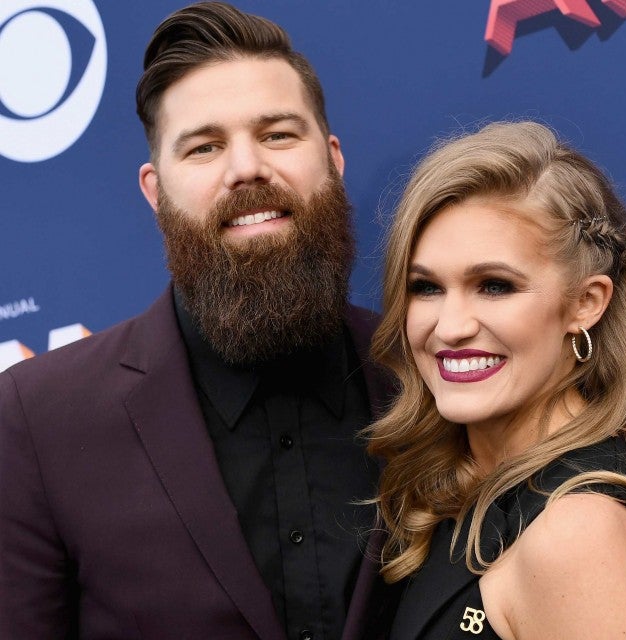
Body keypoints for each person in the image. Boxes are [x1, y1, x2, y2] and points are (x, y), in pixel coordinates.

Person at [0, 3, 397, 639]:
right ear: (156, 192)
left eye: (278, 135)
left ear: (333, 159)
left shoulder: (428, 377)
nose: (246, 168)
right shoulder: (37, 417)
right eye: (205, 147)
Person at [368, 121, 626, 639]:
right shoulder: (462, 482)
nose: (450, 327)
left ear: (586, 303)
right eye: (426, 287)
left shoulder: (580, 532)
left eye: (494, 286)